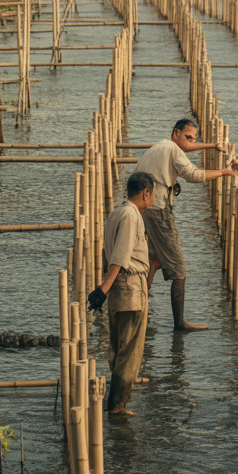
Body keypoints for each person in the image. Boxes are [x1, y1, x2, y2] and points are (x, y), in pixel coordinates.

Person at [137, 118, 238, 331]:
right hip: (158, 211)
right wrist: (225, 172)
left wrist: (212, 146)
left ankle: (139, 309)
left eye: (194, 139)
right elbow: (193, 175)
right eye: (188, 137)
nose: (191, 142)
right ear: (176, 133)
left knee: (154, 260)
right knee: (179, 269)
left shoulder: (159, 147)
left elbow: (187, 147)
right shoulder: (173, 150)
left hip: (142, 209)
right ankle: (179, 324)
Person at [87, 171, 156, 416]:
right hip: (130, 290)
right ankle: (116, 405)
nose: (152, 200)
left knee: (118, 347)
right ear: (145, 193)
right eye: (152, 195)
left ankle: (120, 397)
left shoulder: (117, 212)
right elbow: (120, 257)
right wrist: (103, 289)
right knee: (130, 351)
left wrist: (106, 289)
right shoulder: (130, 215)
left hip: (120, 290)